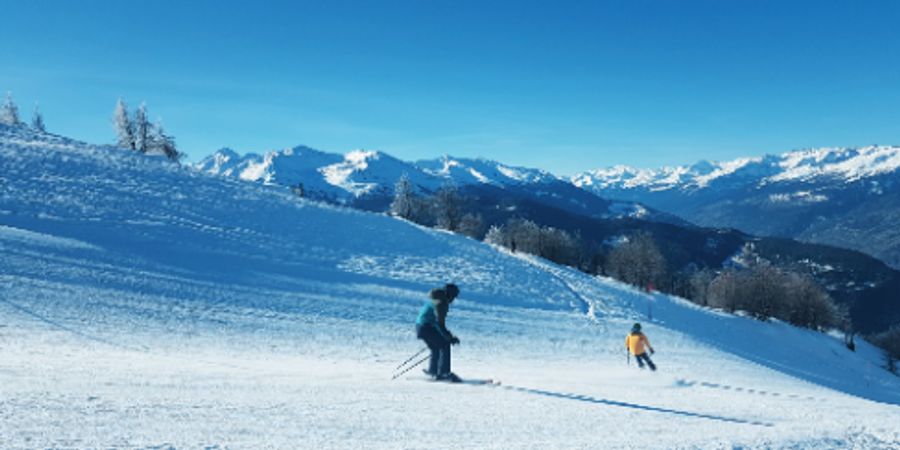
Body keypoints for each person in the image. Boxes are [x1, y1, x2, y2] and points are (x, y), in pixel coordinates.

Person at [416, 283, 461, 382]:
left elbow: (437, 324)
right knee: (445, 345)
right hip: (427, 327)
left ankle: (433, 371)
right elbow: (439, 324)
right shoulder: (441, 303)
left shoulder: (435, 299)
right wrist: (450, 338)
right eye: (453, 296)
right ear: (449, 294)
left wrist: (447, 336)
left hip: (421, 327)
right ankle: (444, 373)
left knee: (436, 348)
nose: (453, 300)